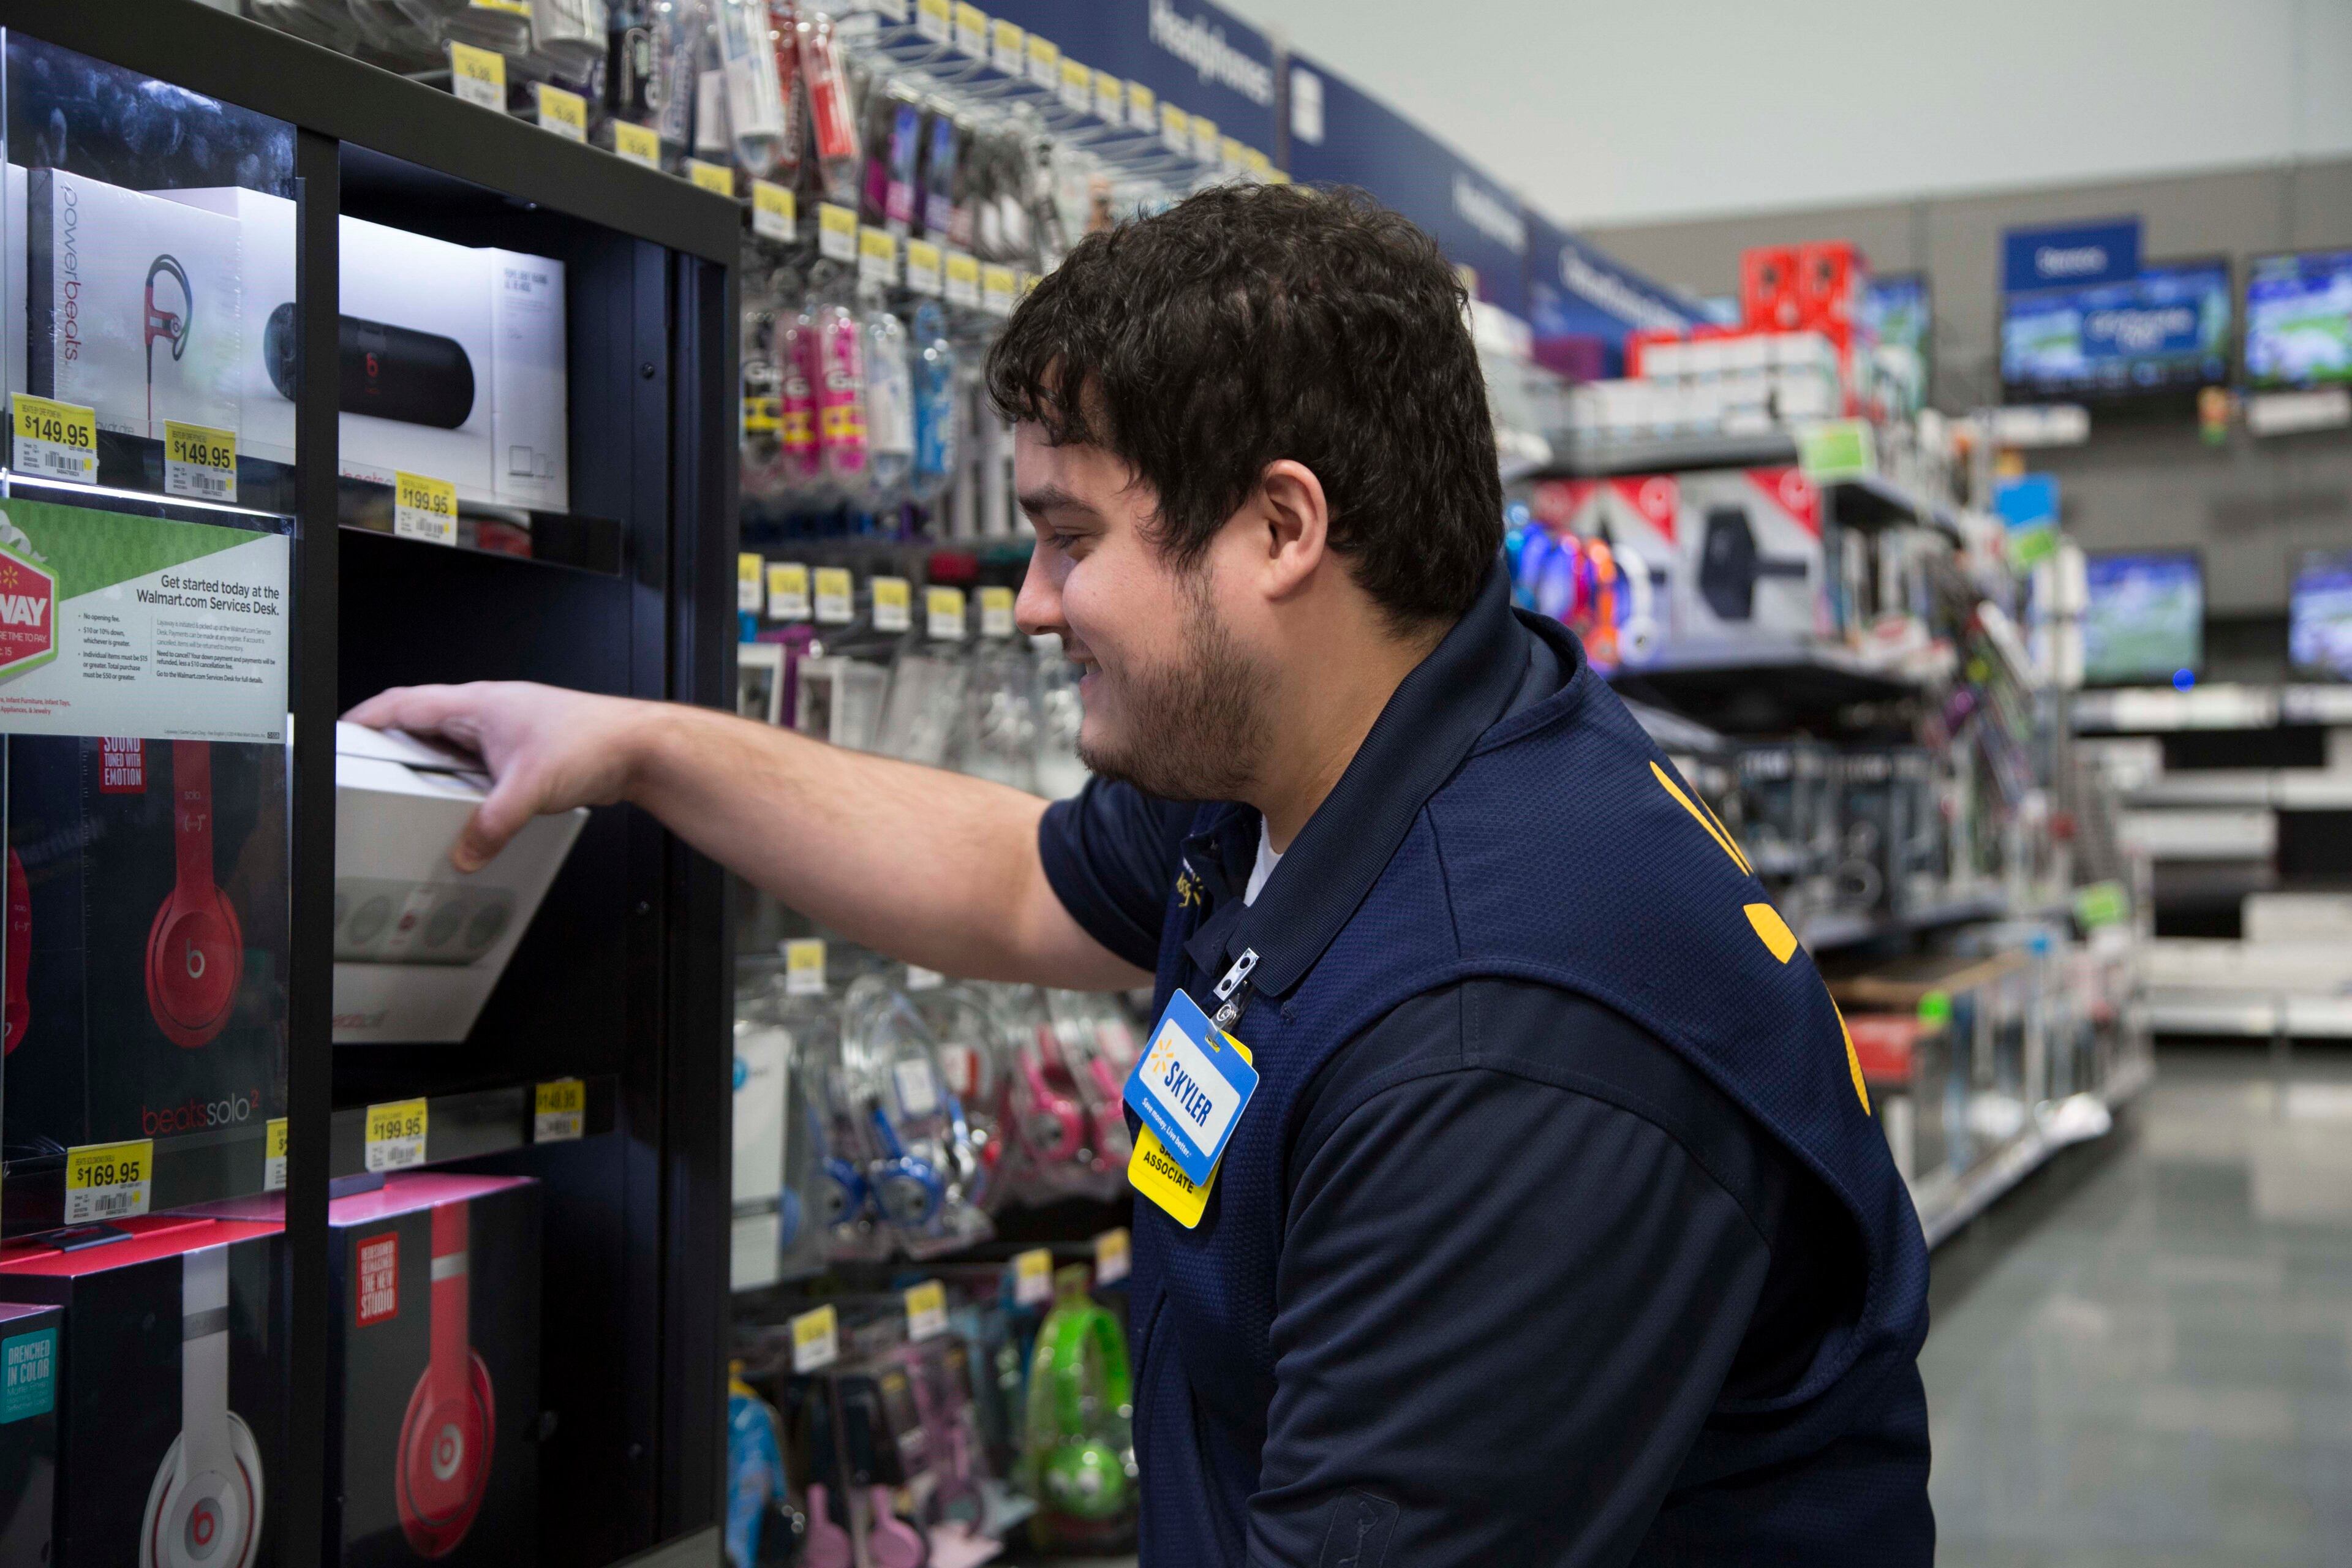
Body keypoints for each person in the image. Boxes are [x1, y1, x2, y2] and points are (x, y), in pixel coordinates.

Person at [350, 183, 1933, 1565]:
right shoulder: (1327, 749)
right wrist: (637, 745)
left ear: (1281, 529)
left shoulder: (1497, 1052)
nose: (1033, 603)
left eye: (1071, 537)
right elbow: (1012, 880)